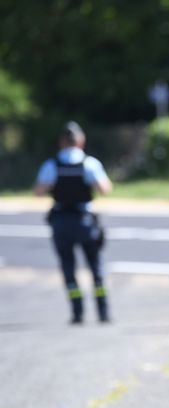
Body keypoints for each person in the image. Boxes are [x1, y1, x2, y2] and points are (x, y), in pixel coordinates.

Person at [34, 121, 113, 324]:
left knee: (68, 269)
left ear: (61, 142)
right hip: (85, 221)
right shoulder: (89, 163)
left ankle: (77, 313)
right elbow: (104, 189)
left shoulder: (52, 164)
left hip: (61, 221)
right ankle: (103, 312)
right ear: (81, 141)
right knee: (96, 267)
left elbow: (39, 191)